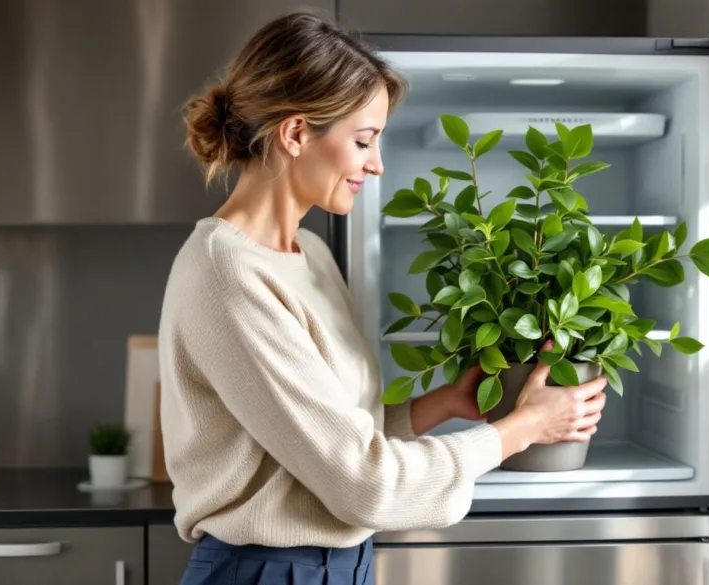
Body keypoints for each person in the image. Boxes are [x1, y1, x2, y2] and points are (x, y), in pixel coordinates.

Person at [157, 9, 608, 585]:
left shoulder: (310, 255)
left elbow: (330, 438)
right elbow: (363, 483)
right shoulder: (227, 273)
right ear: (296, 133)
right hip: (264, 571)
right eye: (363, 140)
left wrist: (442, 404)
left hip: (342, 565)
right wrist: (521, 430)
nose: (377, 164)